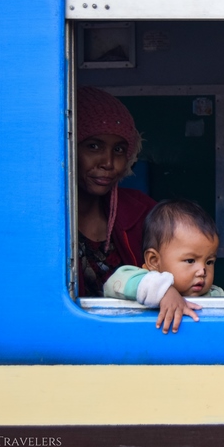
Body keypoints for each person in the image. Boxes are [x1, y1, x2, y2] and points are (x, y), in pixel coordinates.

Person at [104, 199, 224, 333]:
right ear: (153, 261)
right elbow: (114, 283)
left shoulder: (214, 296)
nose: (202, 271)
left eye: (209, 262)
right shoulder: (145, 286)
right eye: (190, 261)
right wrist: (164, 291)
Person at [77, 86, 157, 297]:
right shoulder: (46, 221)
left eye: (119, 149)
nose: (109, 163)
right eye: (93, 146)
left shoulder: (143, 210)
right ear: (68, 147)